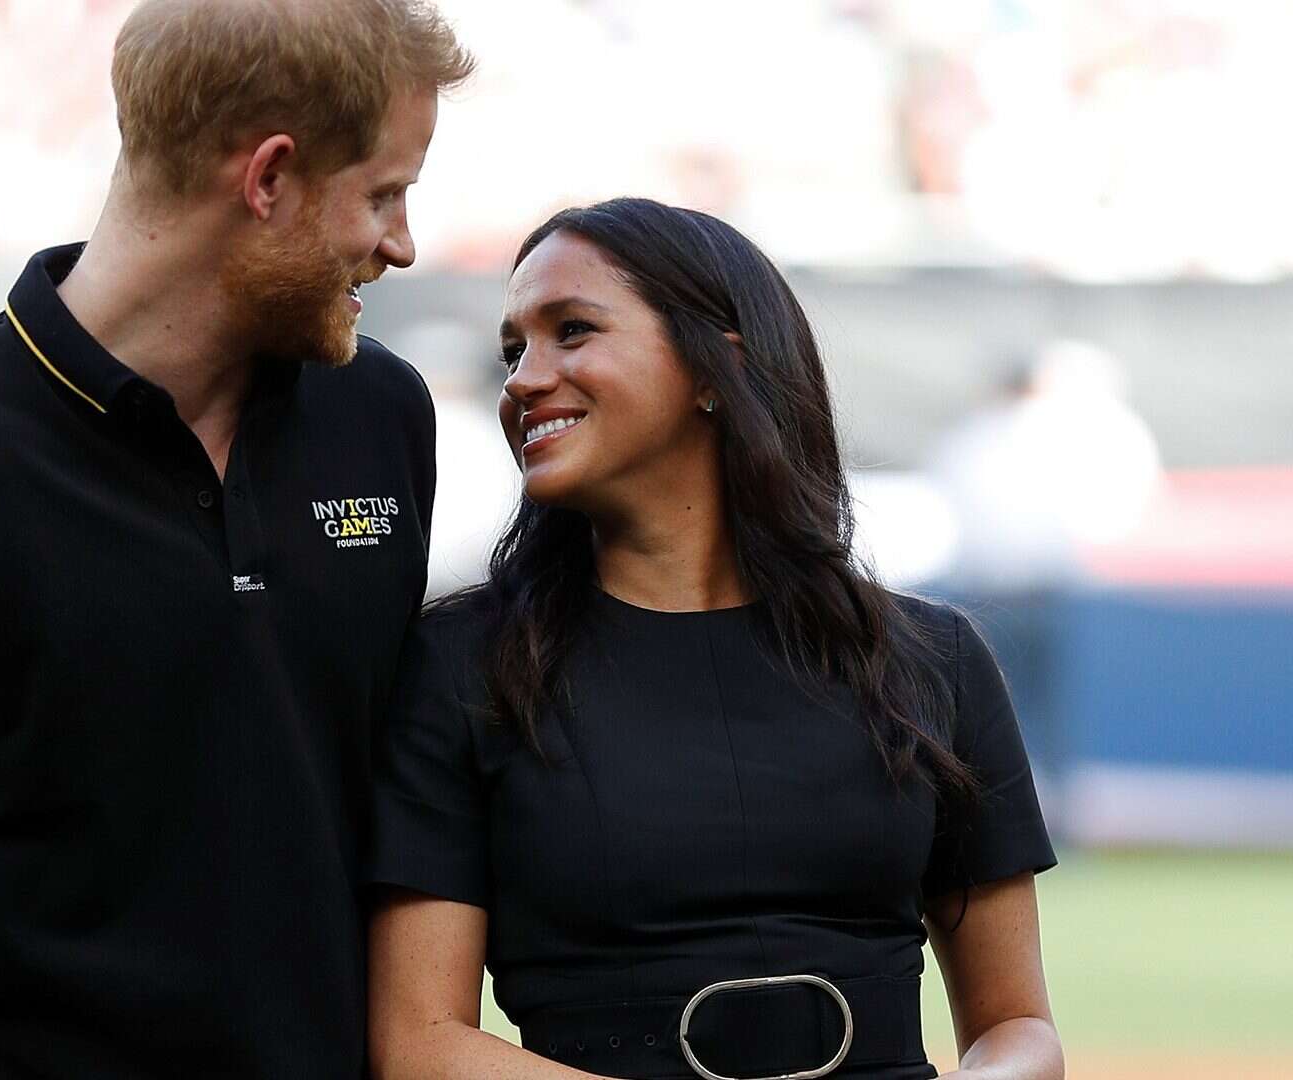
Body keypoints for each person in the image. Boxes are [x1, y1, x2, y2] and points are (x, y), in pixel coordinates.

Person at [0, 2, 471, 1077]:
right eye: (383, 194)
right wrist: (51, 1029)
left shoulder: (382, 415)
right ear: (267, 179)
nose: (401, 244)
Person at [366, 199, 1063, 1080]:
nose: (523, 379)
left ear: (713, 367)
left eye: (571, 331)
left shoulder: (933, 660)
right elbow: (417, 1042)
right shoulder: (461, 667)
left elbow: (1019, 1031)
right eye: (515, 350)